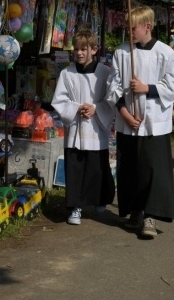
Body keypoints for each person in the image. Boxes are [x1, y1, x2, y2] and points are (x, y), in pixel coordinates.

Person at [106, 6, 174, 238]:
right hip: (128, 121)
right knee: (130, 169)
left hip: (154, 122)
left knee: (152, 169)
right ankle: (135, 210)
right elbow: (113, 87)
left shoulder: (165, 52)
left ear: (147, 26)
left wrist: (146, 88)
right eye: (127, 27)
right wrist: (124, 113)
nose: (129, 32)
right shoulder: (122, 52)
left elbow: (173, 87)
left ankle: (150, 215)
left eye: (133, 28)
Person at [52, 30, 116, 226]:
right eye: (76, 49)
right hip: (76, 129)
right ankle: (75, 207)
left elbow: (112, 99)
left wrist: (96, 108)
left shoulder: (105, 73)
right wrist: (76, 108)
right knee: (76, 168)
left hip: (96, 129)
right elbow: (59, 100)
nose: (79, 53)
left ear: (94, 50)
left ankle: (98, 200)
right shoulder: (67, 73)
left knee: (97, 168)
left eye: (83, 49)